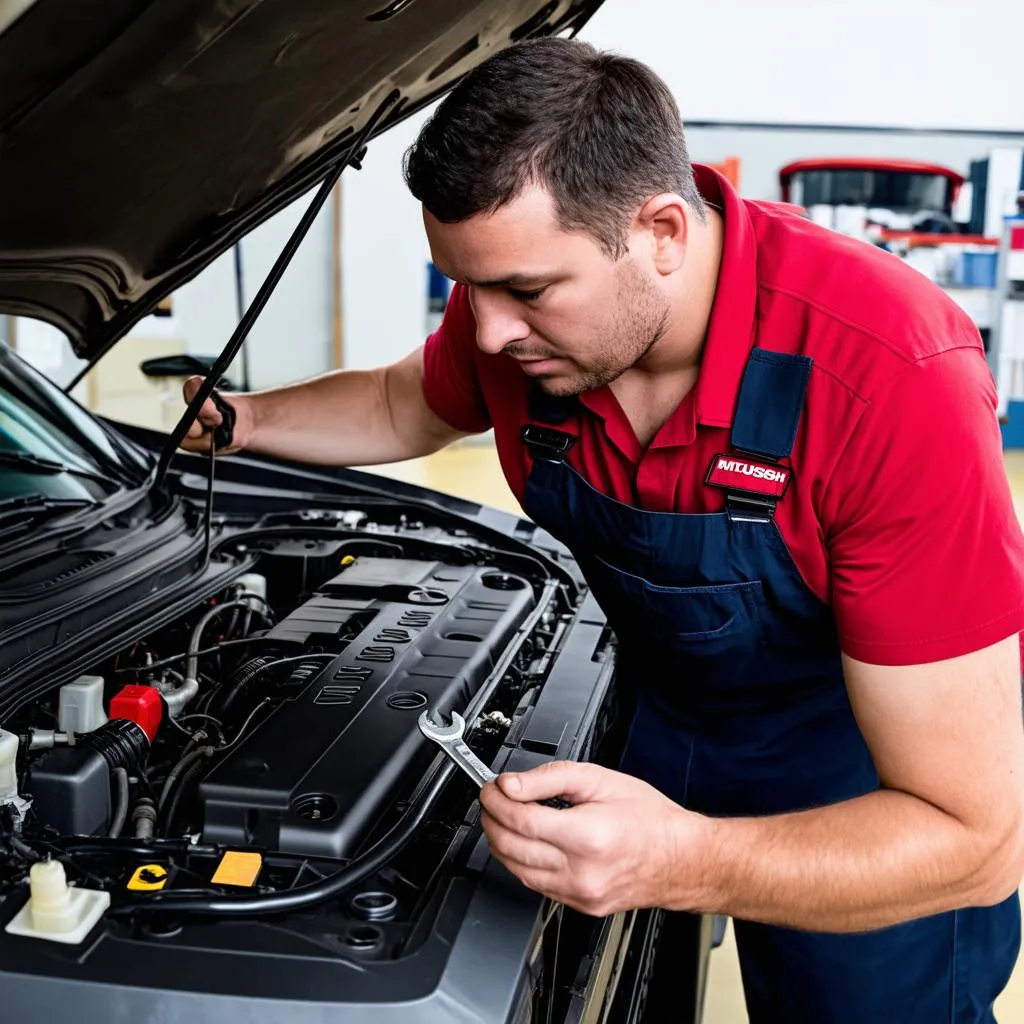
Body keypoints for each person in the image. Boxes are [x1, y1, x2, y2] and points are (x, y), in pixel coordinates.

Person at [180, 37, 1024, 1023]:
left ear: (661, 231)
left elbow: (973, 837)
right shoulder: (523, 329)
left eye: (527, 291)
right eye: (466, 286)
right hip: (661, 727)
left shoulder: (884, 372)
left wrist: (685, 858)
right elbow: (407, 402)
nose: (487, 330)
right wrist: (241, 423)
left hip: (862, 784)